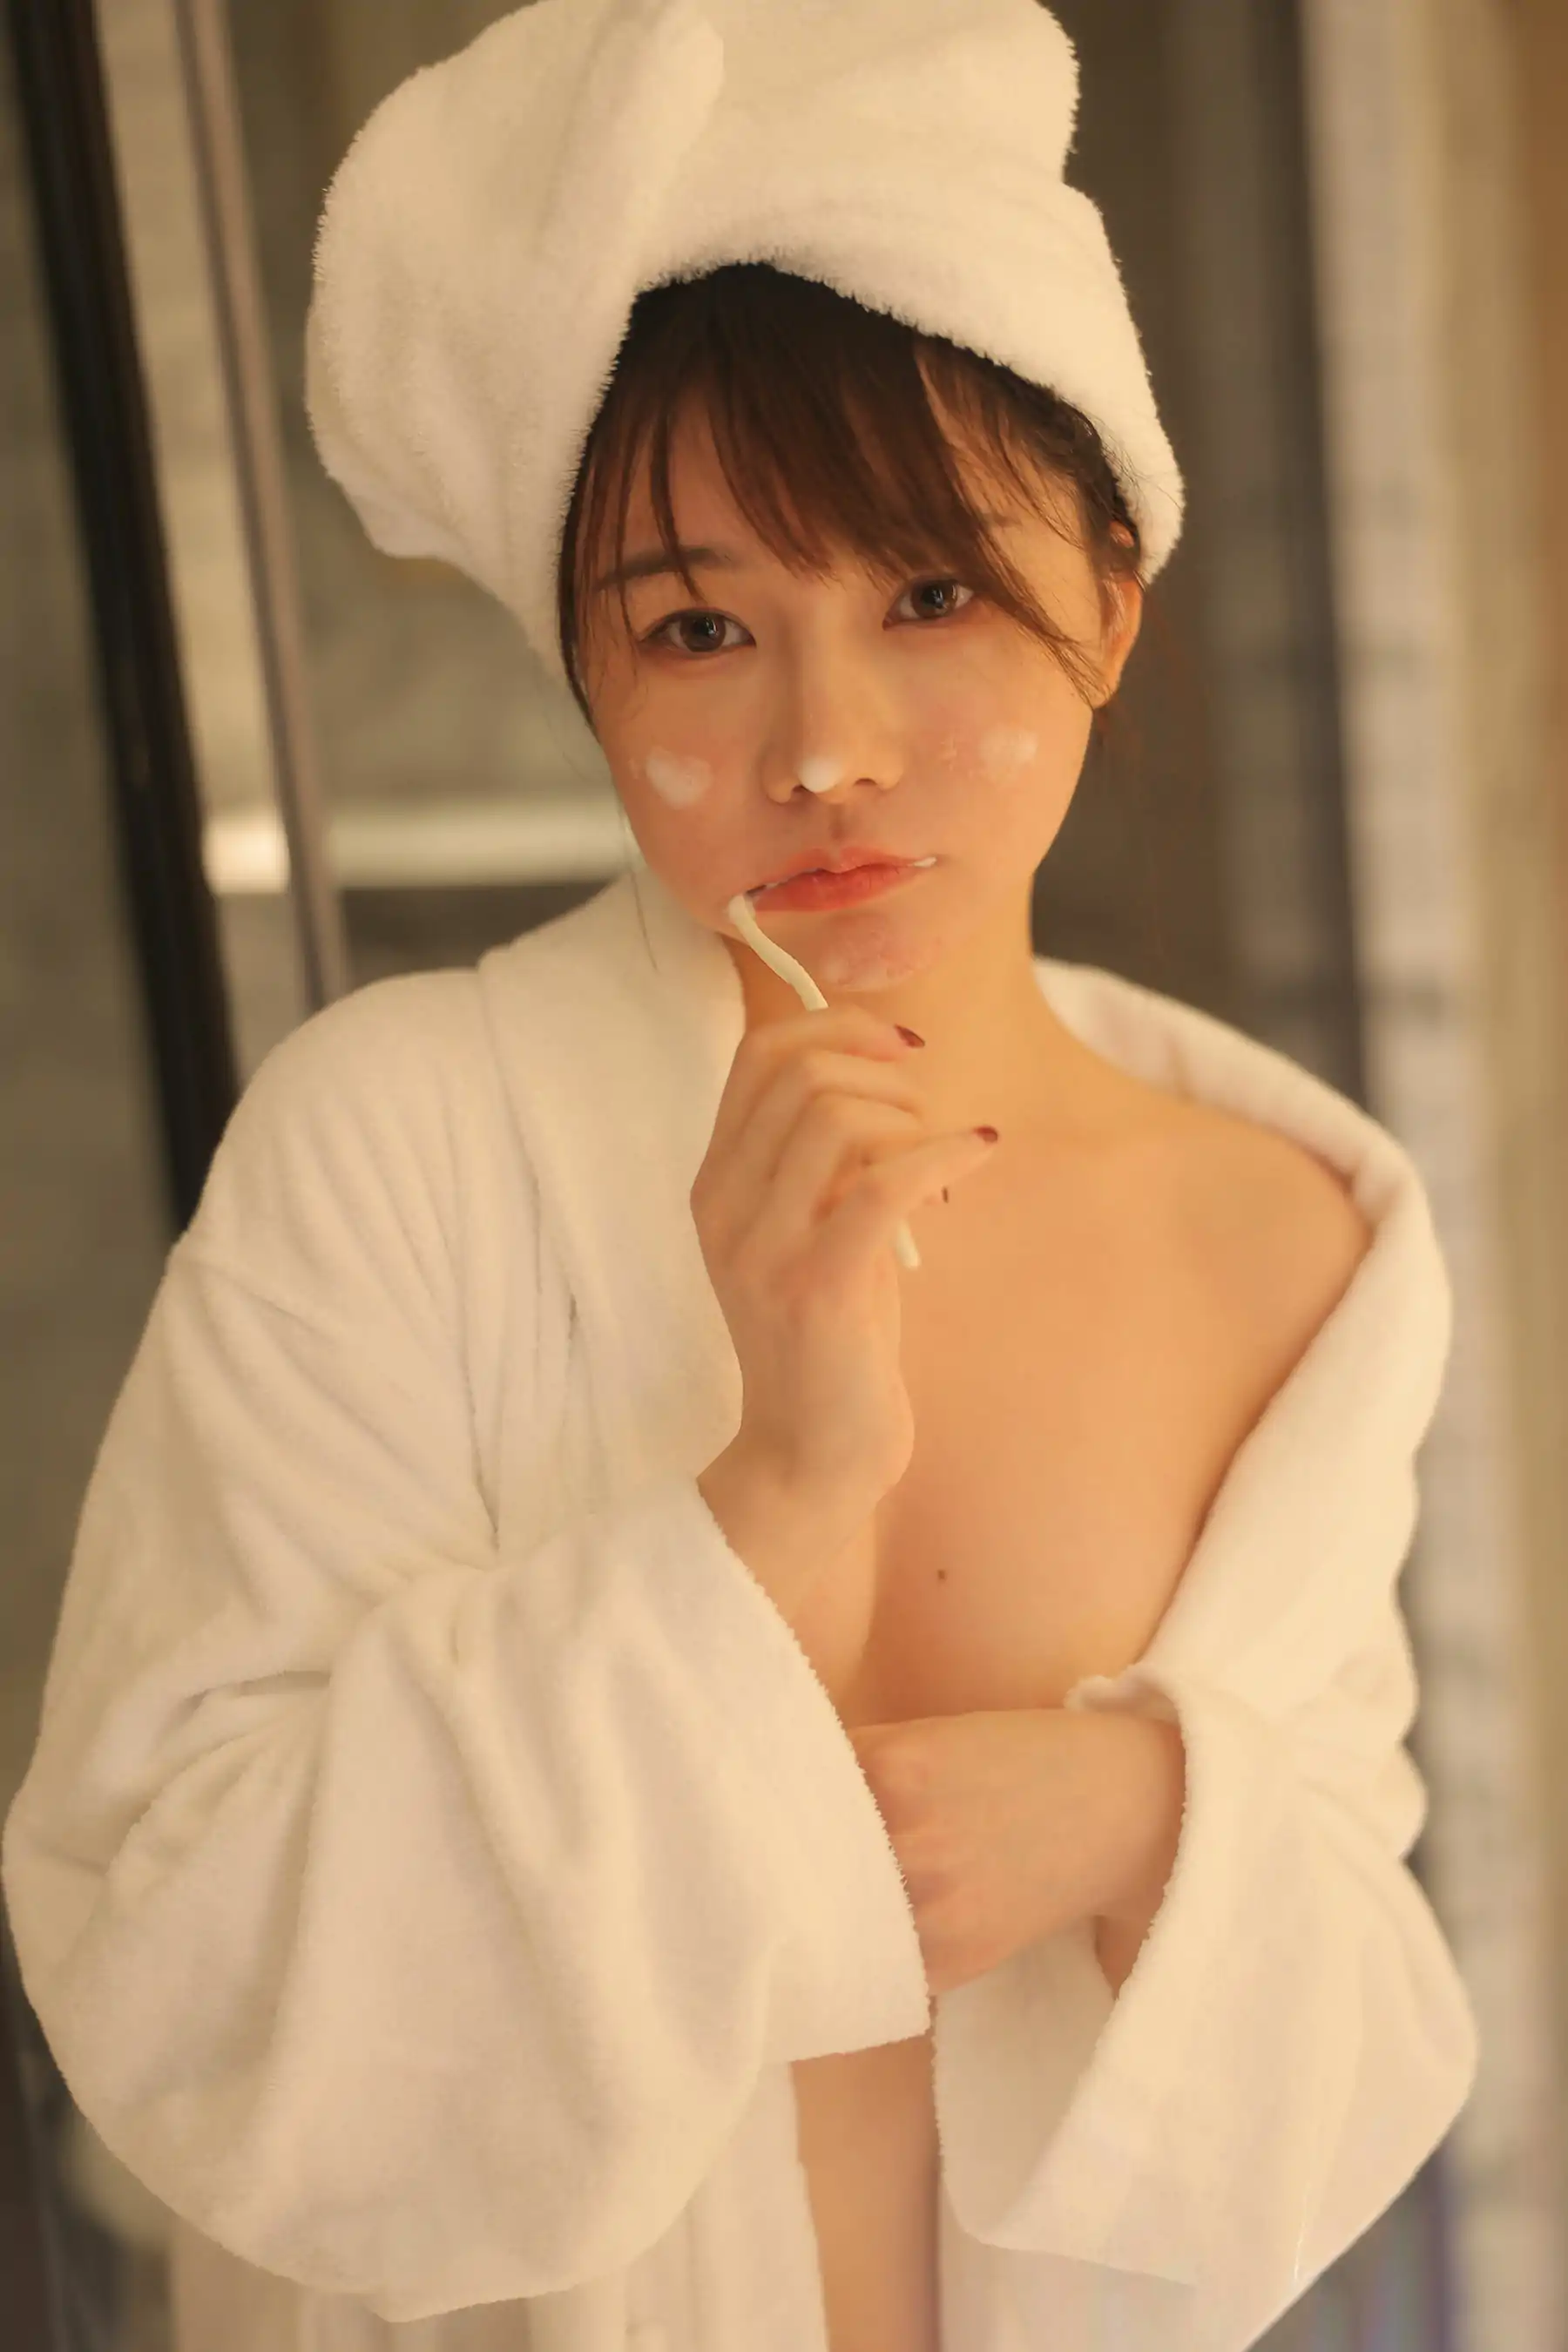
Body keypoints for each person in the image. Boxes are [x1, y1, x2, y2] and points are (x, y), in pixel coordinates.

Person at [2, 6, 1478, 2350]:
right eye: (700, 627)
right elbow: (169, 1961)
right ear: (585, 676)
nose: (825, 748)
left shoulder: (1284, 1241)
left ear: (1113, 592)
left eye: (930, 594)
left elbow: (1355, 2035)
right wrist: (775, 1492)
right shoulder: (396, 1151)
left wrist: (1147, 1818)